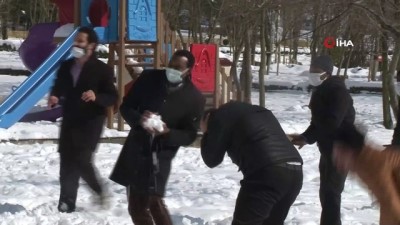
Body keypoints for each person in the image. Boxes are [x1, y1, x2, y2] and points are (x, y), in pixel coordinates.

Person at [109, 50, 205, 225]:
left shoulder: (194, 98)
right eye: (170, 65)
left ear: (188, 70)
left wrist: (168, 132)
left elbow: (189, 135)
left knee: (154, 200)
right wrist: (140, 120)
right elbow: (126, 107)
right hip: (138, 147)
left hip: (162, 154)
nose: (172, 70)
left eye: (178, 68)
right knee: (137, 206)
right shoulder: (149, 79)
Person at [48, 26, 118, 213]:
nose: (76, 44)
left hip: (91, 122)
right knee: (66, 160)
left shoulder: (102, 70)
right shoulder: (66, 66)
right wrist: (54, 96)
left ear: (91, 45)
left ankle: (99, 190)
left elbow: (112, 96)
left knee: (82, 159)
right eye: (75, 41)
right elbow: (59, 86)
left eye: (80, 41)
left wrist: (96, 96)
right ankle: (66, 202)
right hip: (70, 119)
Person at [200, 101, 303, 225]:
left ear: (207, 118)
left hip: (267, 174)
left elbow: (211, 159)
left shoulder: (220, 117)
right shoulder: (259, 111)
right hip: (295, 171)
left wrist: (206, 133)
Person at [288, 55, 356, 225]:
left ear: (327, 73)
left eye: (316, 71)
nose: (312, 74)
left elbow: (331, 122)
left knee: (332, 193)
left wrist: (309, 138)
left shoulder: (338, 92)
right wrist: (304, 137)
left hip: (342, 150)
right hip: (327, 149)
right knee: (326, 193)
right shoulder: (320, 91)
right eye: (311, 70)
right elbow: (317, 122)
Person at [333, 125, 400, 225]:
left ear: (350, 151)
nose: (335, 158)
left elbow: (390, 203)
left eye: (339, 153)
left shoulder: (371, 165)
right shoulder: (365, 160)